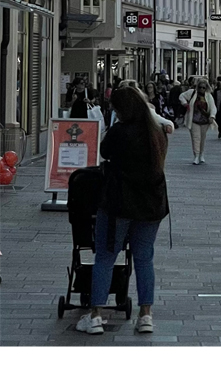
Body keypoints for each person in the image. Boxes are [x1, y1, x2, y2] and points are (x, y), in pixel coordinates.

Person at [75, 87, 169, 335]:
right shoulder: (156, 132)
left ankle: (95, 315)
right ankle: (146, 315)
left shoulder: (120, 131)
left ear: (121, 110)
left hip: (119, 204)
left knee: (106, 257)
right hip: (150, 205)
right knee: (144, 258)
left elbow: (104, 152)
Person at [179, 79, 216, 165]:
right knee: (196, 138)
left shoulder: (209, 96)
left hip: (204, 121)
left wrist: (212, 116)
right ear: (197, 87)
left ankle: (201, 154)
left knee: (202, 138)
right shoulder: (192, 93)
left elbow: (213, 107)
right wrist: (185, 104)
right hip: (194, 120)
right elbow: (181, 96)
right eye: (200, 87)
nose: (202, 89)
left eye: (204, 87)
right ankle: (196, 155)